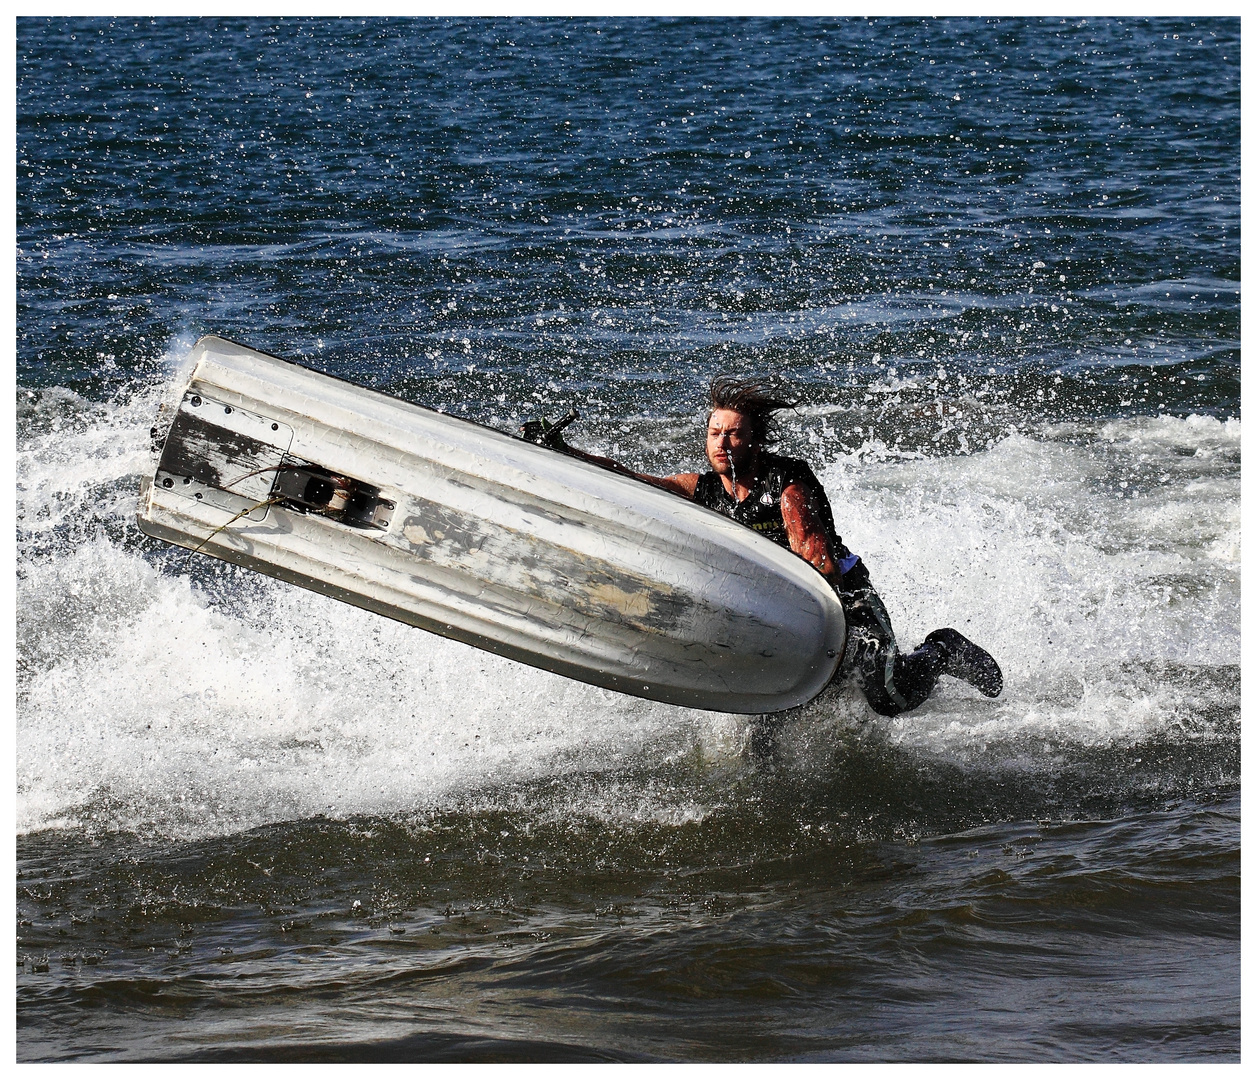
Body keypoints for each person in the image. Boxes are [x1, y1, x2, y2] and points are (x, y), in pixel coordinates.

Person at [523, 376, 1002, 717]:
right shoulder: (704, 489)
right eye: (714, 433)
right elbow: (634, 482)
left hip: (843, 606)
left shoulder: (787, 480)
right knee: (773, 716)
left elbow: (814, 553)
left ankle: (942, 649)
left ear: (756, 439)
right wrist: (565, 454)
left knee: (887, 698)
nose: (722, 443)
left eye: (734, 433)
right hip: (777, 616)